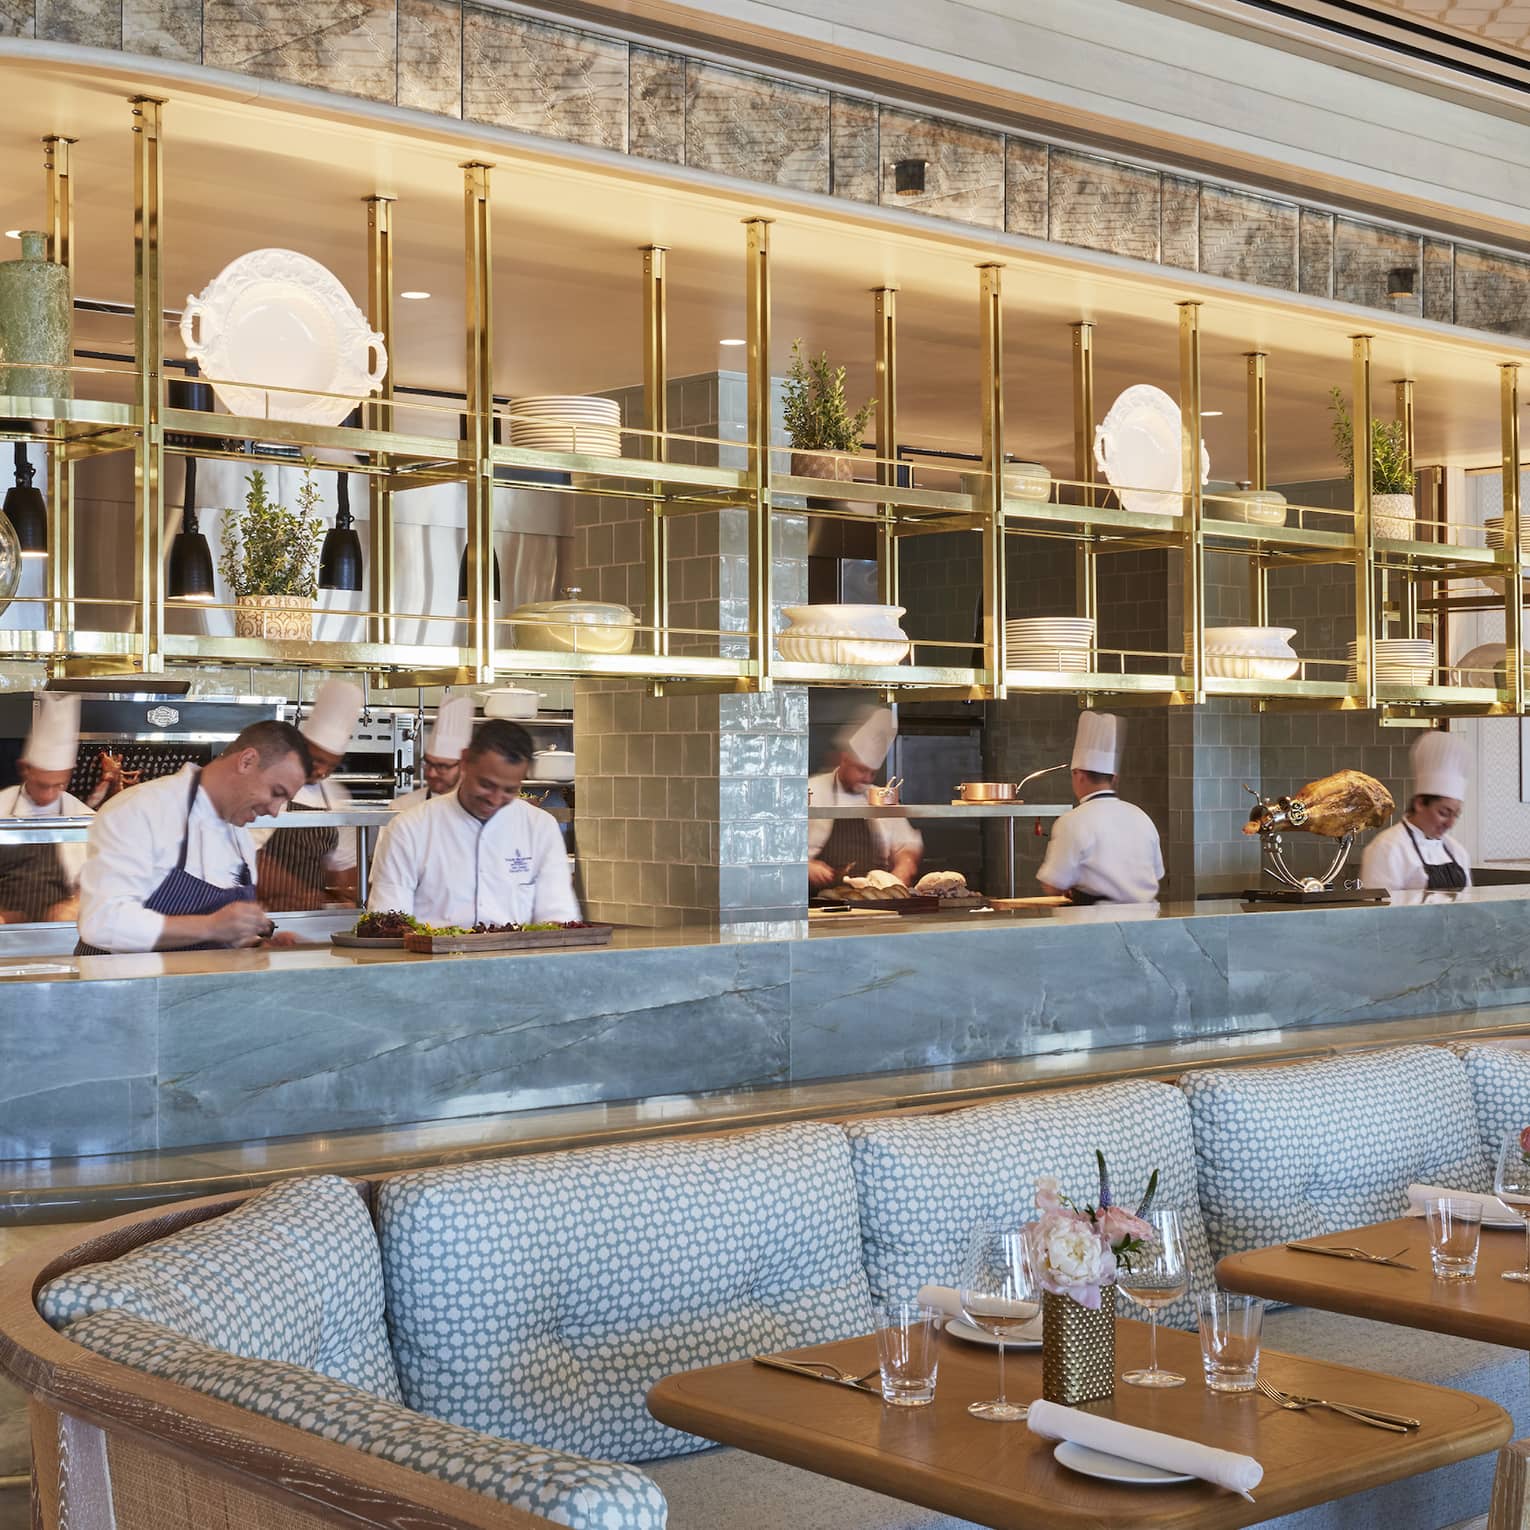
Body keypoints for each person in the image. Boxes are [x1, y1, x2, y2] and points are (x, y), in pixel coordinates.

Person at [76, 720, 311, 954]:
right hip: (124, 987)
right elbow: (102, 923)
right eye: (276, 793)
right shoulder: (140, 809)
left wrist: (257, 943)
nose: (274, 811)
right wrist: (210, 926)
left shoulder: (240, 837)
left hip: (189, 987)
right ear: (247, 761)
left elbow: (217, 940)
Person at [367, 718, 580, 926]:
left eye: (509, 790)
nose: (495, 799)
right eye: (486, 785)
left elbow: (558, 917)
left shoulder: (540, 827)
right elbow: (387, 924)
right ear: (466, 761)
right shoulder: (408, 828)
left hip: (518, 961)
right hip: (432, 961)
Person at [254, 680, 364, 911]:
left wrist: (349, 896)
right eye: (317, 760)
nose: (322, 771)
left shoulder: (336, 797)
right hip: (265, 915)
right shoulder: (271, 782)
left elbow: (344, 867)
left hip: (311, 917)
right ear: (302, 745)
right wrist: (297, 892)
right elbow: (247, 858)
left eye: (331, 766)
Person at [1038, 711, 1164, 905]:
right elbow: (1157, 874)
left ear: (1078, 776)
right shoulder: (1141, 817)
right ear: (1114, 779)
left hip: (1098, 924)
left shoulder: (1071, 822)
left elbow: (1053, 884)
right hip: (1147, 921)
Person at [806, 707, 922, 890]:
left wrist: (904, 867)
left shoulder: (880, 796)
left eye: (873, 773)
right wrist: (803, 866)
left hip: (874, 897)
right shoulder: (810, 790)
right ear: (844, 760)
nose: (867, 779)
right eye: (861, 770)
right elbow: (774, 846)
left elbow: (907, 845)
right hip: (821, 899)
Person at [1359, 730, 1472, 892]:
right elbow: (1378, 912)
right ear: (1420, 803)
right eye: (1444, 813)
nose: (1450, 823)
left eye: (1456, 815)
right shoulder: (1387, 849)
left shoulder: (1457, 851)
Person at [391, 695, 473, 812]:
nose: (431, 773)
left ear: (464, 765)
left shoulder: (480, 811)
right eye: (428, 763)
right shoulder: (403, 807)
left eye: (442, 766)